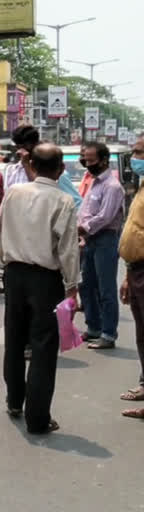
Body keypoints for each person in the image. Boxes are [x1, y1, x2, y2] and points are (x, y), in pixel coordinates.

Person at [0, 143, 80, 434]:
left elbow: (0, 231)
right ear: (60, 170)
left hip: (14, 273)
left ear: (31, 163)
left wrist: (6, 261)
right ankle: (38, 417)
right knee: (44, 348)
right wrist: (72, 287)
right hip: (46, 278)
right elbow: (68, 249)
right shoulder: (63, 200)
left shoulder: (13, 193)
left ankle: (14, 401)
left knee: (14, 339)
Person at [77, 142, 124, 350]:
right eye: (85, 160)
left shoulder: (112, 186)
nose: (87, 164)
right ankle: (94, 327)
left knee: (106, 289)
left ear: (104, 160)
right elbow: (84, 210)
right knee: (86, 285)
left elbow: (105, 216)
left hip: (105, 239)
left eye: (91, 160)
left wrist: (84, 227)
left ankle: (108, 333)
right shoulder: (93, 182)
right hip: (89, 239)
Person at [119, 141, 144, 419]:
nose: (135, 159)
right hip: (137, 268)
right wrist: (127, 273)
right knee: (141, 335)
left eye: (140, 154)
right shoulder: (141, 187)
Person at [4, 125, 39, 191]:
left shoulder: (44, 168)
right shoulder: (11, 169)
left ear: (35, 144)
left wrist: (26, 165)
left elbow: (39, 189)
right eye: (18, 147)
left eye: (25, 146)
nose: (20, 151)